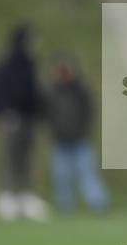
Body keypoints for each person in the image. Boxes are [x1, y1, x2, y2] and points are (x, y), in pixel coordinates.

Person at [0, 25, 50, 221]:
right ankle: (7, 197)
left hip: (29, 119)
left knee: (26, 159)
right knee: (10, 158)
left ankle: (25, 197)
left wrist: (39, 113)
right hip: (12, 118)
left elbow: (34, 93)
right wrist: (4, 112)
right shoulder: (7, 65)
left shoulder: (31, 64)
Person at [44, 53, 109, 213]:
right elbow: (47, 114)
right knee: (61, 178)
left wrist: (82, 130)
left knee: (88, 174)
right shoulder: (53, 92)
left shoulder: (80, 91)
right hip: (60, 141)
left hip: (80, 140)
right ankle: (66, 207)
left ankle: (98, 205)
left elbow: (89, 112)